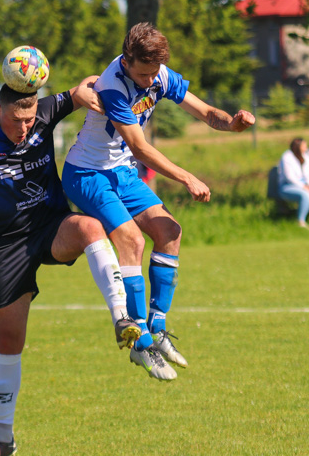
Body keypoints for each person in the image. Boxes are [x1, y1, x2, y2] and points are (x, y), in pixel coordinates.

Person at [0, 80, 140, 456]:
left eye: (30, 120)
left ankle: (121, 317)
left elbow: (80, 91)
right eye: (17, 121)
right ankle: (4, 439)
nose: (25, 128)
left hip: (51, 227)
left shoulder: (45, 112)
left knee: (90, 227)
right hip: (9, 245)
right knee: (9, 341)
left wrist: (88, 91)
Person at [62, 23, 255, 381]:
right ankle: (140, 344)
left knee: (169, 230)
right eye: (144, 73)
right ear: (127, 59)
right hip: (87, 174)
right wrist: (186, 177)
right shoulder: (112, 85)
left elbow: (208, 113)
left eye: (155, 73)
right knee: (132, 240)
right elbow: (140, 148)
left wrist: (234, 124)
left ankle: (158, 327)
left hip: (121, 173)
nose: (151, 81)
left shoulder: (159, 75)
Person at [278, 138, 309, 228]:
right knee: (306, 195)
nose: (306, 148)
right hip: (288, 186)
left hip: (306, 186)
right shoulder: (287, 157)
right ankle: (301, 221)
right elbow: (289, 177)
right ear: (297, 147)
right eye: (303, 146)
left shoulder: (307, 158)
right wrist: (304, 187)